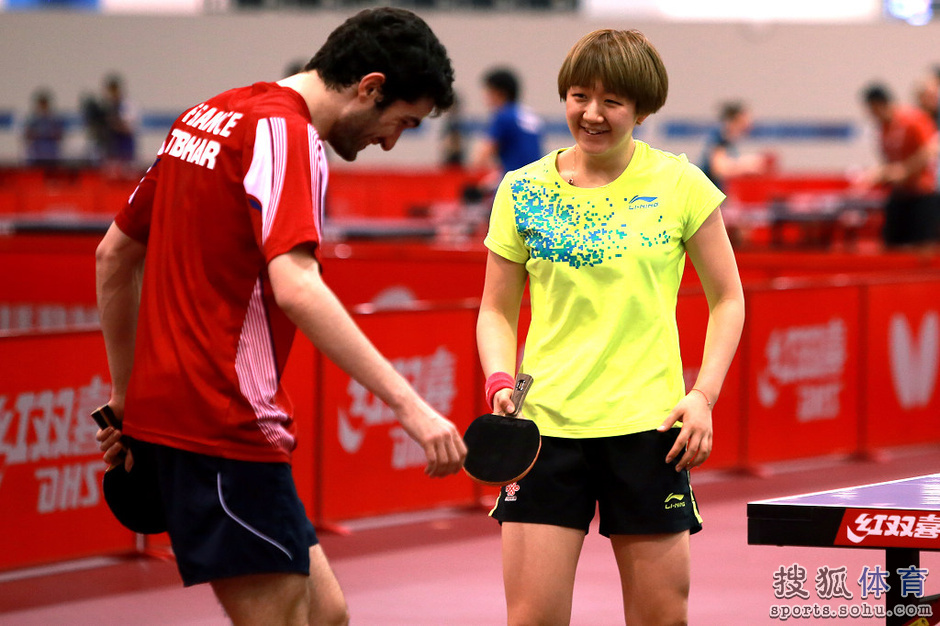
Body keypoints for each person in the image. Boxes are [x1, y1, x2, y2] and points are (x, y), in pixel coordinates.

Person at [94, 8, 467, 625]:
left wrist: (125, 396)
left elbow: (113, 255)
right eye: (402, 121)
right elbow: (297, 286)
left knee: (326, 614)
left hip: (186, 418)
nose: (391, 143)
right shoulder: (288, 136)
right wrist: (411, 406)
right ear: (370, 87)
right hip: (225, 422)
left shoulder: (206, 116)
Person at [476, 29, 745, 625]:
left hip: (650, 430)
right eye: (579, 96)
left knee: (661, 620)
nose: (592, 114)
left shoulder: (680, 185)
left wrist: (703, 396)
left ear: (641, 110)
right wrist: (498, 378)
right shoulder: (522, 189)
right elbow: (495, 308)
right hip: (543, 430)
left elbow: (728, 298)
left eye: (612, 101)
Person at [857, 82, 939, 248]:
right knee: (892, 243)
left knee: (922, 247)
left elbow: (931, 149)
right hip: (899, 193)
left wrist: (906, 170)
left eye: (872, 109)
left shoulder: (912, 119)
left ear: (879, 104)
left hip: (922, 193)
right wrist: (881, 173)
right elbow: (891, 161)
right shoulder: (883, 128)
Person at [472, 67, 544, 181]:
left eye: (488, 92)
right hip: (538, 180)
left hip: (516, 183)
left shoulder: (503, 116)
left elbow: (481, 159)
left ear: (499, 93)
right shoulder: (530, 115)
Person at [699, 100, 768, 192]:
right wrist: (746, 165)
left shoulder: (728, 138)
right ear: (737, 119)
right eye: (746, 119)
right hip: (707, 192)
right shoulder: (721, 137)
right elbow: (718, 169)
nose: (749, 123)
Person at [83, 73, 139, 175]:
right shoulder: (106, 106)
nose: (112, 94)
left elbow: (128, 127)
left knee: (127, 172)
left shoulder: (127, 105)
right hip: (111, 145)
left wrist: (113, 122)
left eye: (114, 91)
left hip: (125, 144)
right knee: (110, 172)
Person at [22, 88, 66, 168]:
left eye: (44, 104)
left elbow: (60, 135)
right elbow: (27, 135)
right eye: (41, 104)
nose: (43, 107)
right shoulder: (33, 119)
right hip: (37, 154)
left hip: (52, 155)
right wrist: (38, 133)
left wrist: (47, 133)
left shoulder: (54, 119)